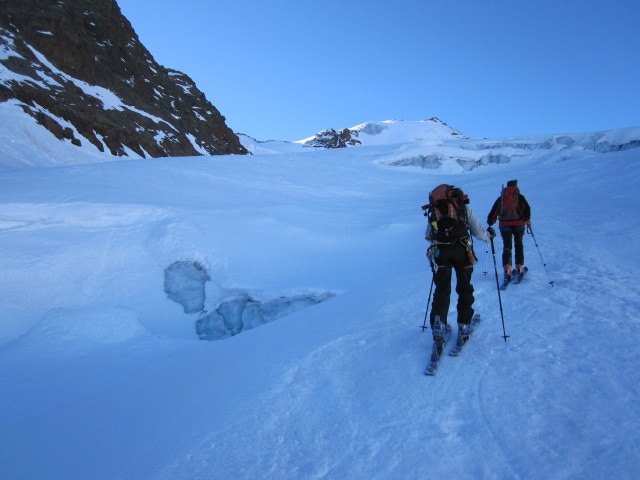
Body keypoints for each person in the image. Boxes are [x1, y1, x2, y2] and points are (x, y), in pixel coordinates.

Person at [425, 185, 495, 350]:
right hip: (462, 251)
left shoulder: (434, 210)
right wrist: (489, 236)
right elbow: (478, 233)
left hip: (440, 252)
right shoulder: (465, 210)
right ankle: (464, 325)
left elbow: (428, 235)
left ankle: (439, 325)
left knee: (442, 289)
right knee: (464, 287)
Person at [487, 180, 531, 282]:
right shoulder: (520, 197)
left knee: (507, 246)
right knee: (519, 244)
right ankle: (519, 267)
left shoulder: (502, 198)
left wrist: (490, 222)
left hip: (505, 225)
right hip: (519, 224)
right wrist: (526, 220)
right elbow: (527, 209)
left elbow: (494, 212)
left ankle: (507, 268)